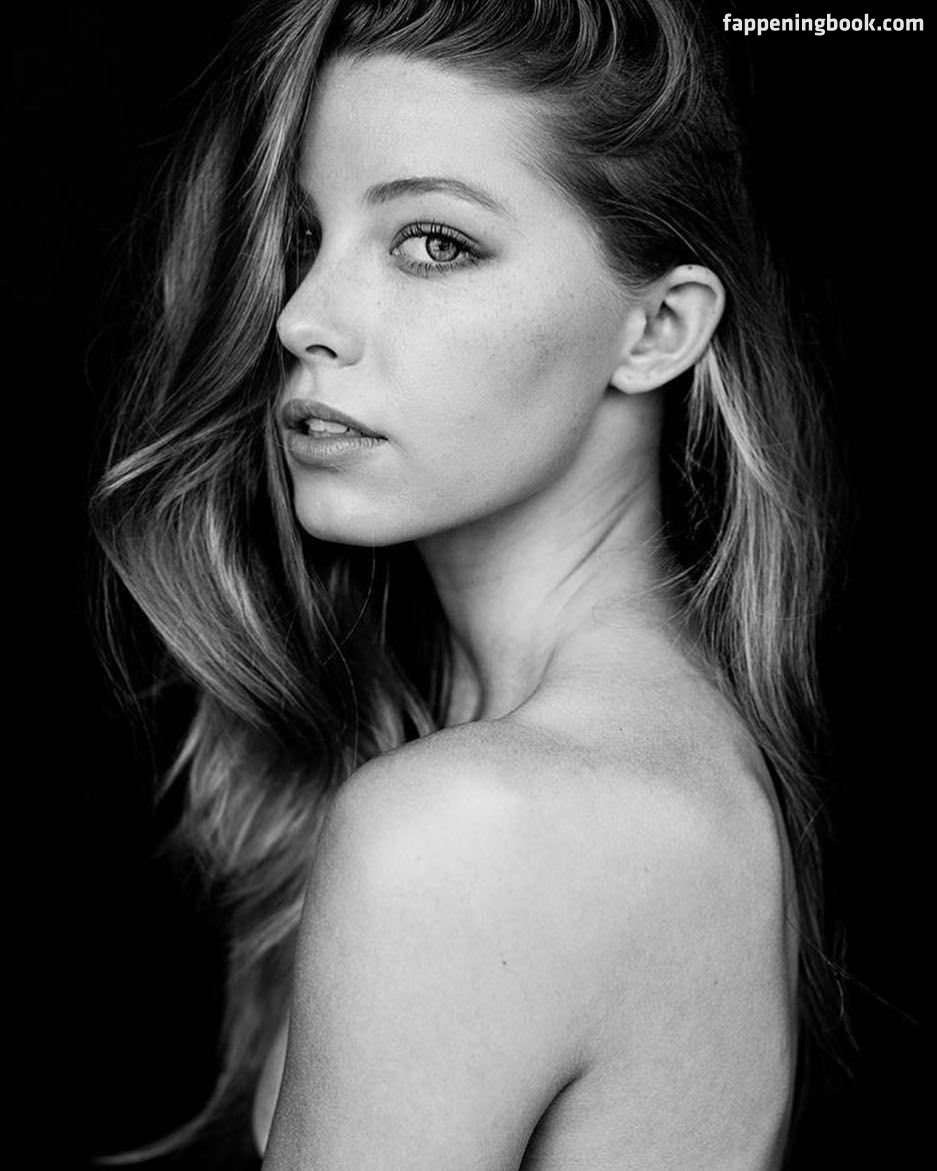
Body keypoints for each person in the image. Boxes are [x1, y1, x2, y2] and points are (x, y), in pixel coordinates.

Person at [91, 0, 839, 1166]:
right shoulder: (671, 757)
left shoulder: (471, 830)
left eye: (434, 243)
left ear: (656, 330)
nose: (300, 318)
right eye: (303, 236)